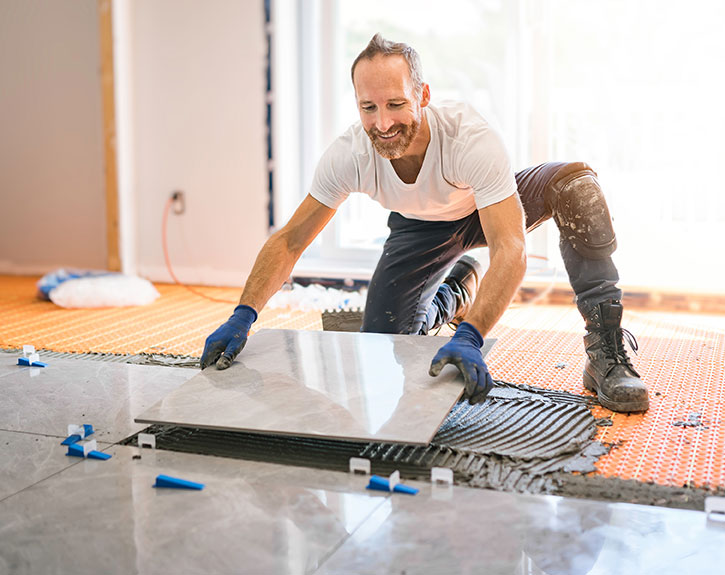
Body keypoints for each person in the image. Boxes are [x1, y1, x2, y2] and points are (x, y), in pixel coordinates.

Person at [201, 34, 647, 413]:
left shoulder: (469, 139)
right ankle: (453, 294)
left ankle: (605, 351)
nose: (383, 122)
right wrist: (244, 314)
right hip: (420, 230)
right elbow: (290, 242)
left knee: (577, 185)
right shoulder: (349, 155)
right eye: (368, 107)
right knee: (386, 348)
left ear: (423, 96)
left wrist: (473, 337)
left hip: (487, 207)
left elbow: (510, 248)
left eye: (396, 104)